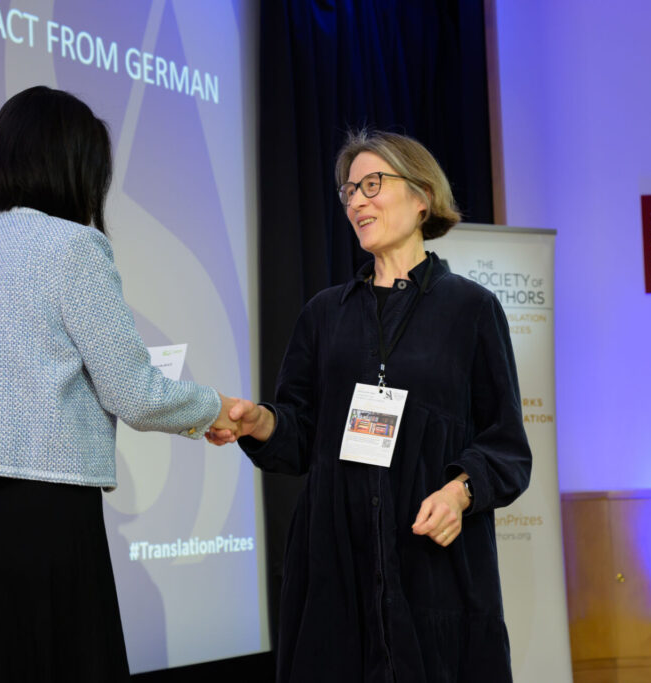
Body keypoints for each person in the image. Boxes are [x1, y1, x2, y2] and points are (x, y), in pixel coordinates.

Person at [0, 86, 238, 681]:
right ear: (72, 166)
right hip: (50, 522)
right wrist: (213, 408)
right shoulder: (75, 248)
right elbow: (133, 391)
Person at [213, 130, 532, 682]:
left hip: (432, 559)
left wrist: (461, 492)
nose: (357, 201)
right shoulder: (324, 314)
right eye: (348, 191)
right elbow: (299, 434)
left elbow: (506, 446)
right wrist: (261, 421)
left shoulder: (471, 310)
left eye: (372, 184)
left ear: (422, 196)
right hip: (336, 562)